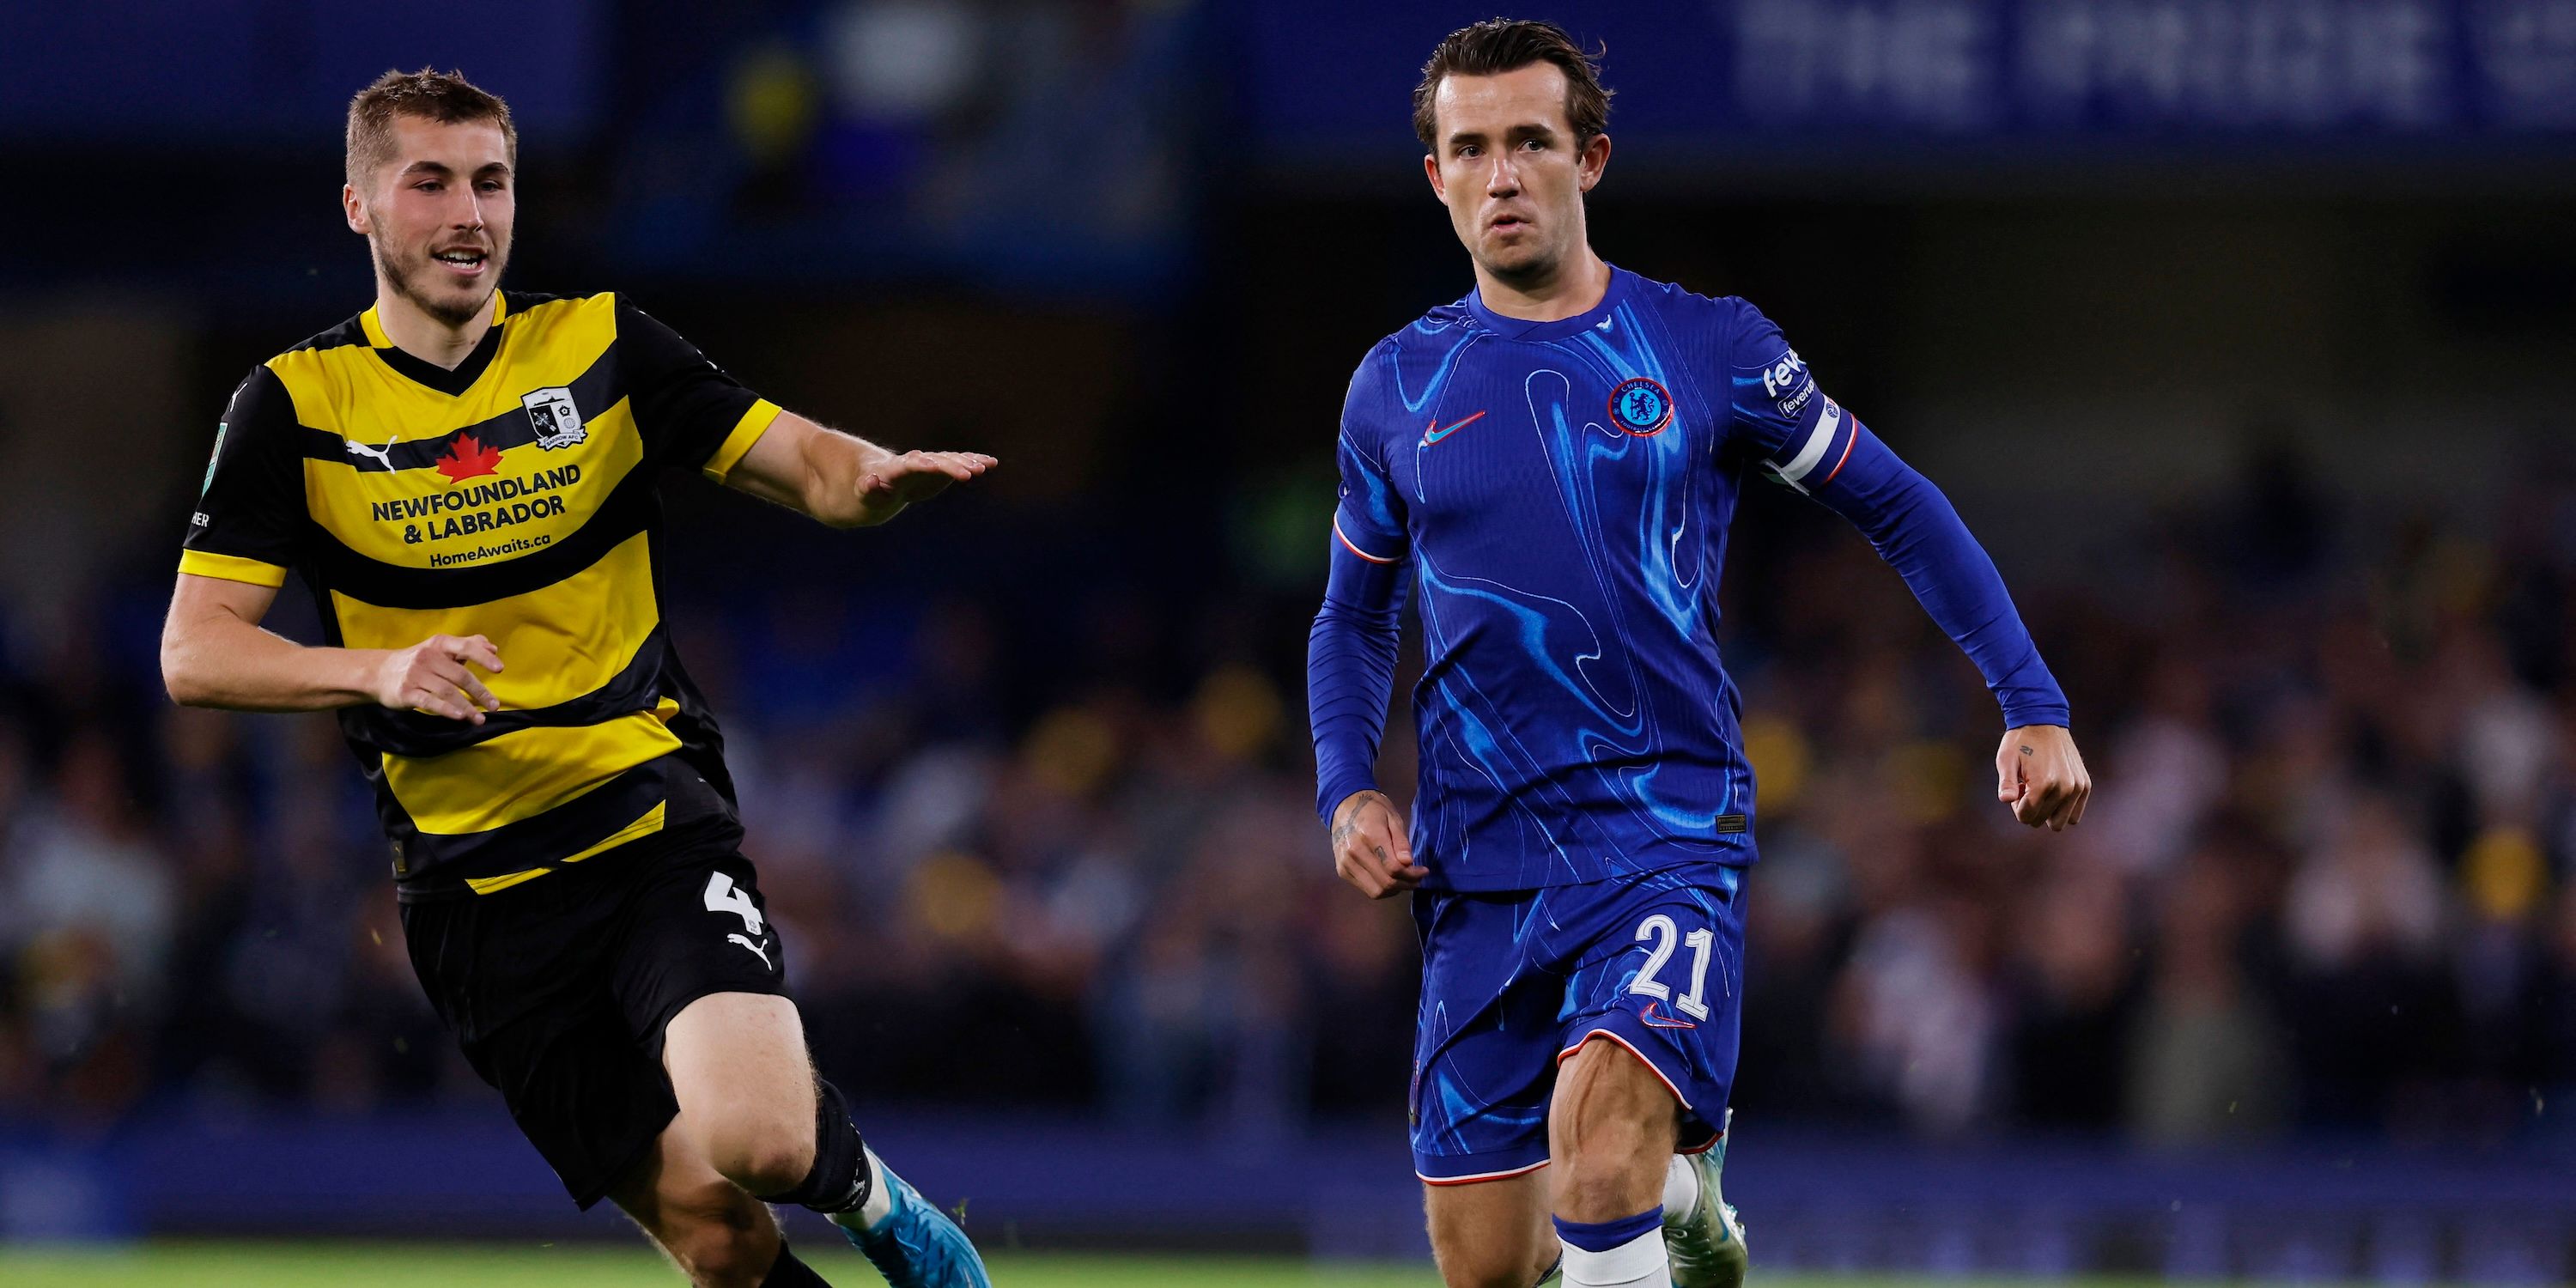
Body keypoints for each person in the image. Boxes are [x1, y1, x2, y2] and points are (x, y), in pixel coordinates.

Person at [159, 69, 994, 1288]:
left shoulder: (597, 344)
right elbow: (196, 649)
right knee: (717, 1240)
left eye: (491, 181)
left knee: (757, 1142)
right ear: (359, 207)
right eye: (429, 181)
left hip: (646, 822)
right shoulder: (293, 407)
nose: (469, 214)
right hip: (476, 901)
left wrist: (865, 478)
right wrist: (379, 668)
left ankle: (874, 1200)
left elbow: (798, 456)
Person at [1305, 21, 2093, 1288]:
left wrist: (2030, 701)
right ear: (1436, 179)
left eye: (1530, 143)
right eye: (1471, 149)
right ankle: (1688, 1200)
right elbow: (1352, 617)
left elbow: (1895, 500)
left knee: (1596, 1169)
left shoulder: (1705, 348)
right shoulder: (1394, 385)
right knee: (1492, 1268)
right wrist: (1346, 785)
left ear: (1591, 159)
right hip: (1476, 863)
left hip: (1661, 830)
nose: (1502, 174)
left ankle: (1649, 1184)